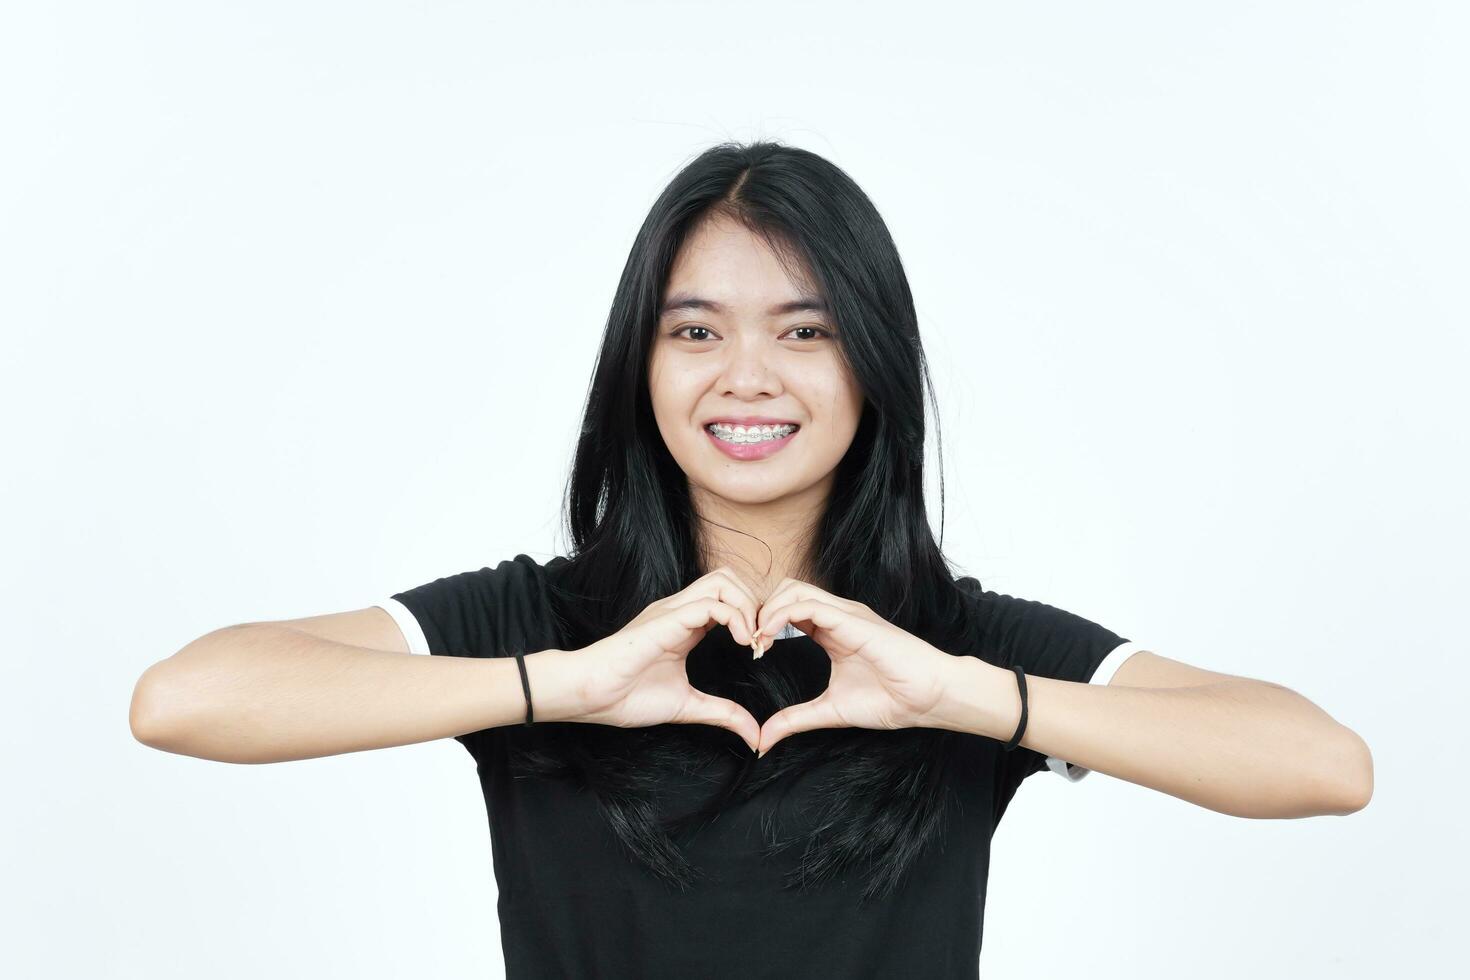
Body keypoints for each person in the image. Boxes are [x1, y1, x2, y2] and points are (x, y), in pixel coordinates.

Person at [131, 140, 1374, 979]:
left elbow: (1324, 763)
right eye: (694, 329)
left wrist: (957, 696)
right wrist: (559, 682)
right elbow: (185, 699)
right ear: (643, 363)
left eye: (805, 330)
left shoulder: (954, 647)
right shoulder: (541, 618)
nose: (747, 376)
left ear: (870, 366)